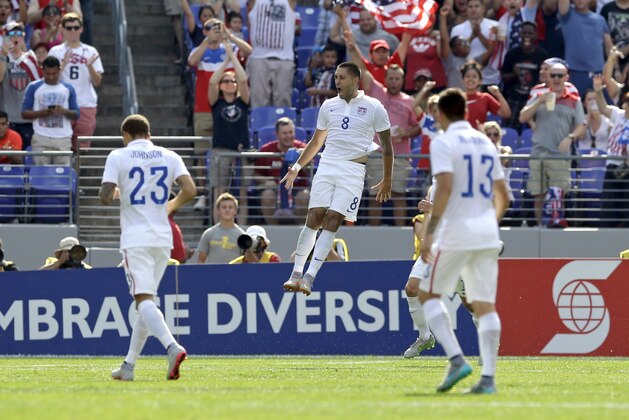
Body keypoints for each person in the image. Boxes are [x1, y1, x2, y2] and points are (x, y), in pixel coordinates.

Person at [413, 88, 509, 394]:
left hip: (456, 231)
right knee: (485, 305)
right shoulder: (485, 141)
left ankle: (456, 359)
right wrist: (486, 225)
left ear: (440, 114)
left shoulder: (443, 142)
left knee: (427, 294)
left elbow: (444, 189)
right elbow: (504, 196)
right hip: (487, 232)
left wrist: (429, 234)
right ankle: (489, 380)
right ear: (466, 112)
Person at [281, 62, 392, 296]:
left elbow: (388, 147)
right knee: (315, 216)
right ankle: (296, 274)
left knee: (333, 220)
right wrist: (297, 167)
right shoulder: (329, 105)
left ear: (355, 80)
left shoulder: (374, 107)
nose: (337, 82)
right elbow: (316, 141)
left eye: (341, 77)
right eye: (335, 77)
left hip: (353, 170)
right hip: (328, 165)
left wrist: (387, 179)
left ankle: (310, 277)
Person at [99, 114, 196, 381]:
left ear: (125, 135)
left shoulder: (118, 156)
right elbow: (189, 189)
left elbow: (105, 196)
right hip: (163, 238)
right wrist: (170, 207)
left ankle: (172, 346)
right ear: (149, 134)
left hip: (135, 238)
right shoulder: (169, 155)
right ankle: (128, 366)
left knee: (142, 301)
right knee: (145, 302)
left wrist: (117, 192)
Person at [519, 63, 585, 226]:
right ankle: (541, 226)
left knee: (558, 193)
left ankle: (556, 224)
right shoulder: (539, 96)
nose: (556, 79)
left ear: (566, 78)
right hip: (539, 152)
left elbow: (581, 126)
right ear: (548, 77)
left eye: (559, 75)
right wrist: (539, 101)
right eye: (553, 75)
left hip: (560, 154)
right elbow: (522, 117)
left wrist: (570, 137)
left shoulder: (574, 100)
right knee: (538, 194)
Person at [206, 38, 250, 221]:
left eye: (232, 81)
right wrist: (225, 62)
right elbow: (211, 82)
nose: (230, 83)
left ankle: (243, 227)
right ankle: (218, 225)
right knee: (219, 190)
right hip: (220, 150)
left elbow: (244, 79)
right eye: (226, 81)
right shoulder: (217, 102)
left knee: (243, 191)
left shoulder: (243, 101)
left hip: (241, 151)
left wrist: (233, 56)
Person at [48, 12, 103, 150]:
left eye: (76, 27)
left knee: (82, 147)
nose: (72, 31)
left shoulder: (91, 51)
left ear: (81, 29)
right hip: (62, 103)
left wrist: (90, 66)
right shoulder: (56, 51)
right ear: (62, 29)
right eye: (68, 27)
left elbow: (97, 82)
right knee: (61, 145)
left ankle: (78, 172)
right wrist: (63, 64)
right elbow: (49, 79)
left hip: (86, 103)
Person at [21, 55, 79, 166]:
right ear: (42, 70)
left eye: (54, 74)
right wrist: (41, 113)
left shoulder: (68, 88)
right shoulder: (33, 87)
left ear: (59, 70)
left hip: (63, 139)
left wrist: (63, 111)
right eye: (48, 74)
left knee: (62, 177)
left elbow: (76, 114)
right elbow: (24, 113)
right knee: (40, 175)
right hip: (40, 138)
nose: (51, 77)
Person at [254, 117, 308, 225]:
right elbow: (255, 174)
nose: (288, 136)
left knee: (304, 197)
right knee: (267, 195)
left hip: (297, 188)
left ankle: (299, 230)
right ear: (277, 134)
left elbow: (309, 173)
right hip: (275, 188)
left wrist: (302, 158)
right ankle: (274, 231)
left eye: (291, 132)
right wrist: (266, 181)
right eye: (284, 133)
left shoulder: (303, 148)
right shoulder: (266, 150)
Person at [592, 74, 629, 228]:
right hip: (613, 165)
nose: (627, 104)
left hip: (627, 168)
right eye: (627, 101)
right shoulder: (618, 115)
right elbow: (603, 108)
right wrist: (598, 91)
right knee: (609, 205)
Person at [246, 0, 296, 108]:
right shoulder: (255, 2)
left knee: (283, 100)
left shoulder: (288, 2)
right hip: (259, 57)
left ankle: (284, 125)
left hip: (284, 58)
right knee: (258, 101)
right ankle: (259, 124)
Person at [558, 0, 612, 96]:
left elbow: (609, 47)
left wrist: (616, 68)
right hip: (574, 72)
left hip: (598, 73)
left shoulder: (600, 19)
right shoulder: (567, 15)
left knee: (602, 108)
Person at [0, 21, 38, 150]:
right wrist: (3, 55)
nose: (15, 37)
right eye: (11, 34)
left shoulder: (31, 57)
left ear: (23, 37)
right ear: (6, 37)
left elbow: (37, 82)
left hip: (27, 117)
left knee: (27, 154)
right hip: (7, 117)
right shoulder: (2, 57)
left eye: (18, 34)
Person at [196, 192, 245, 264]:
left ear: (235, 211)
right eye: (224, 207)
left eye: (230, 207)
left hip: (235, 274)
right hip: (213, 274)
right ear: (218, 210)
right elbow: (201, 260)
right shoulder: (209, 233)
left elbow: (246, 261)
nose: (227, 210)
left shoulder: (242, 236)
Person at [461, 60, 511, 126]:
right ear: (462, 80)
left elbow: (506, 114)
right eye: (467, 76)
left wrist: (499, 95)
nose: (471, 79)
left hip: (479, 135)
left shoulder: (485, 97)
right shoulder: (457, 98)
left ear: (480, 81)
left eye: (474, 77)